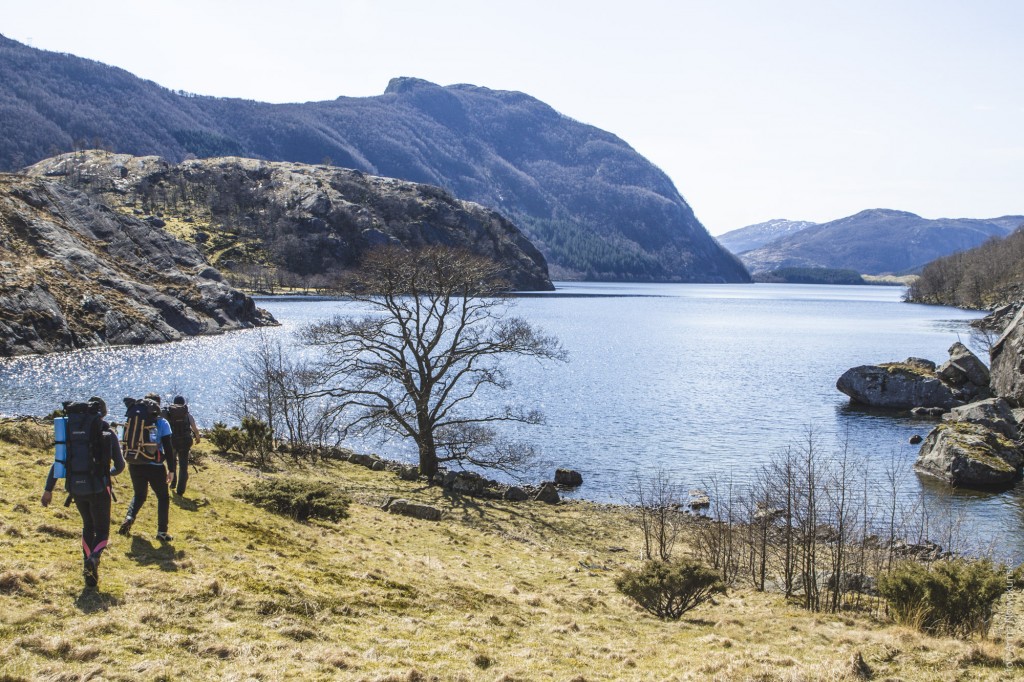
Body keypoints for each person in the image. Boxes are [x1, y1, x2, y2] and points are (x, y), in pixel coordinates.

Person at [41, 396, 125, 588]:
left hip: (76, 487)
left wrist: (48, 490)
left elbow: (59, 462)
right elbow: (120, 466)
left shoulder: (70, 431)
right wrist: (106, 473)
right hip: (99, 488)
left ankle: (88, 571)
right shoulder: (107, 432)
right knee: (102, 531)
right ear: (102, 413)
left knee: (88, 526)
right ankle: (94, 558)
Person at [118, 392, 176, 542]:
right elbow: (169, 449)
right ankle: (162, 532)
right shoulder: (162, 423)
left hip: (135, 463)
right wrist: (172, 470)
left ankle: (129, 518)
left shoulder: (133, 420)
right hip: (155, 466)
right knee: (163, 497)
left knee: (139, 495)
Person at [164, 395, 201, 496]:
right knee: (183, 466)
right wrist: (197, 438)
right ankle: (180, 490)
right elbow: (195, 428)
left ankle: (173, 484)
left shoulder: (169, 414)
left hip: (172, 441)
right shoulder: (187, 415)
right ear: (184, 403)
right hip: (185, 442)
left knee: (172, 463)